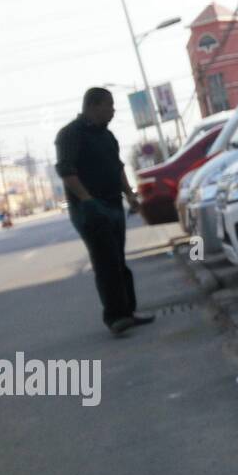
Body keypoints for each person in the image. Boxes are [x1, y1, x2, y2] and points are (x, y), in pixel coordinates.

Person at [55, 88, 155, 336]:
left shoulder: (107, 136)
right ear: (94, 105)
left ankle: (128, 312)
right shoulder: (70, 134)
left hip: (113, 204)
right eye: (109, 105)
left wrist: (129, 194)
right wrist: (87, 200)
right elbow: (66, 170)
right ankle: (115, 317)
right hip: (89, 209)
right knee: (105, 260)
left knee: (118, 259)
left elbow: (118, 167)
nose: (113, 110)